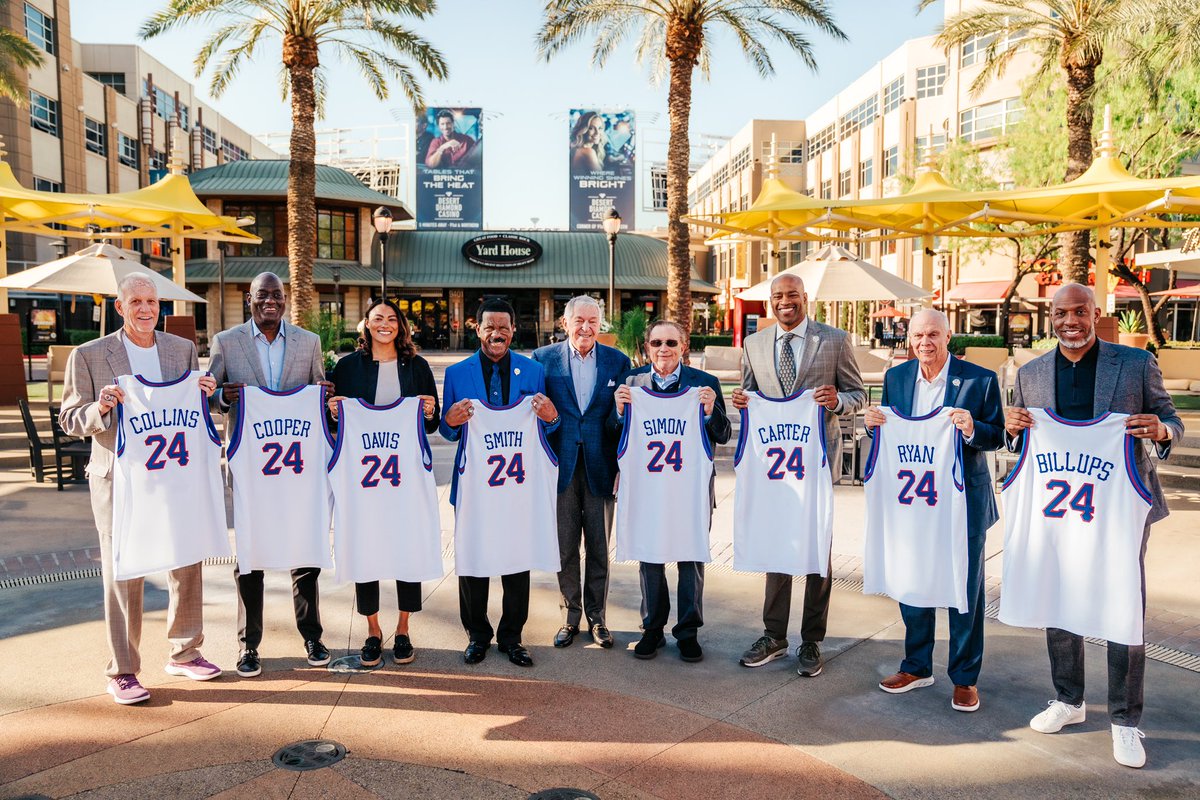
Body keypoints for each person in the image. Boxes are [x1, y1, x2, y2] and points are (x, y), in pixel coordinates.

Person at [1005, 284, 1183, 768]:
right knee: (1059, 594)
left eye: (1079, 312)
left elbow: (1172, 419)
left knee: (1120, 602)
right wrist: (1011, 427)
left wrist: (1162, 430)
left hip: (1120, 503)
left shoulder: (1133, 363)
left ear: (1095, 313)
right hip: (1058, 506)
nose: (1070, 321)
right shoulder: (1032, 373)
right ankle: (1069, 698)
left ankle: (1125, 720)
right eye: (1060, 313)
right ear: (1050, 317)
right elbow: (1018, 445)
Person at [60, 272, 221, 704]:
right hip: (118, 479)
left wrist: (205, 392)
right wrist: (101, 407)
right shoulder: (89, 355)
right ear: (120, 307)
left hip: (174, 475)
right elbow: (70, 419)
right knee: (123, 572)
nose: (146, 309)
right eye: (136, 302)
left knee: (186, 560)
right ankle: (123, 670)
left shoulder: (181, 349)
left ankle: (185, 652)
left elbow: (191, 409)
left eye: (152, 301)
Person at [863, 309, 1004, 712]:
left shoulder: (980, 379)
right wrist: (873, 424)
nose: (925, 342)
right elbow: (890, 432)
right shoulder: (896, 378)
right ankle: (917, 665)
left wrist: (973, 428)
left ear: (948, 336)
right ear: (909, 339)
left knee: (964, 591)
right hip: (914, 501)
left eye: (934, 335)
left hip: (964, 503)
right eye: (918, 335)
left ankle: (964, 677)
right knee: (913, 581)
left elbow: (999, 436)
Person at [731, 274, 865, 676]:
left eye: (792, 295)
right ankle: (774, 635)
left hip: (817, 462)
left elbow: (859, 395)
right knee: (777, 545)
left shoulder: (835, 340)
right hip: (774, 465)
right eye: (777, 296)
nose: (784, 301)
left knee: (815, 550)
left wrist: (838, 400)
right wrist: (740, 400)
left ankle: (811, 639)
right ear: (770, 302)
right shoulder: (754, 344)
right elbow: (748, 393)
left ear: (805, 298)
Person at [208, 272, 332, 678]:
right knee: (250, 557)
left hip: (296, 468)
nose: (270, 302)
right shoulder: (227, 342)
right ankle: (249, 645)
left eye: (277, 296)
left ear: (286, 300)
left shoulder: (308, 342)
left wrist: (324, 394)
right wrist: (221, 396)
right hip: (251, 469)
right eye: (263, 295)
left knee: (304, 554)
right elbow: (210, 392)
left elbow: (318, 390)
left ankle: (312, 635)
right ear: (250, 298)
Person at [440, 297, 560, 667]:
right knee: (474, 559)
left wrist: (552, 417)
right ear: (476, 328)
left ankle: (512, 636)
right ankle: (477, 635)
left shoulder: (533, 371)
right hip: (475, 486)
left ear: (513, 330)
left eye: (504, 327)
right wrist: (452, 421)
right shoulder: (457, 374)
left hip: (517, 489)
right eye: (490, 326)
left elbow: (545, 428)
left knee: (515, 561)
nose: (497, 333)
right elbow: (447, 430)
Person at [328, 299, 440, 667]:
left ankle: (404, 629)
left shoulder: (418, 367)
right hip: (364, 481)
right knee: (367, 551)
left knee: (407, 549)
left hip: (405, 479)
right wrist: (331, 411)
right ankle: (373, 630)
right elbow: (335, 426)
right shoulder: (346, 367)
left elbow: (430, 424)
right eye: (378, 318)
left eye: (392, 319)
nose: (385, 324)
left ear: (401, 326)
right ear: (366, 325)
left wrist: (428, 411)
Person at [613, 320, 731, 663]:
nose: (663, 348)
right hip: (648, 487)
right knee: (650, 556)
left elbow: (722, 435)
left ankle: (688, 632)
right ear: (647, 346)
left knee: (690, 556)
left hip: (689, 489)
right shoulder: (632, 383)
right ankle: (652, 628)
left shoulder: (704, 384)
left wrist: (711, 412)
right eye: (656, 342)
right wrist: (620, 411)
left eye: (670, 342)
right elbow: (613, 431)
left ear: (683, 347)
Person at [532, 296, 631, 649]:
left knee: (601, 549)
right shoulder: (543, 360)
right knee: (565, 548)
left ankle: (598, 619)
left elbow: (622, 421)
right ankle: (570, 617)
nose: (586, 327)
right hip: (560, 467)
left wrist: (621, 451)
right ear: (565, 322)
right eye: (579, 320)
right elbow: (536, 417)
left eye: (593, 321)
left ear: (600, 323)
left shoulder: (619, 362)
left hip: (601, 467)